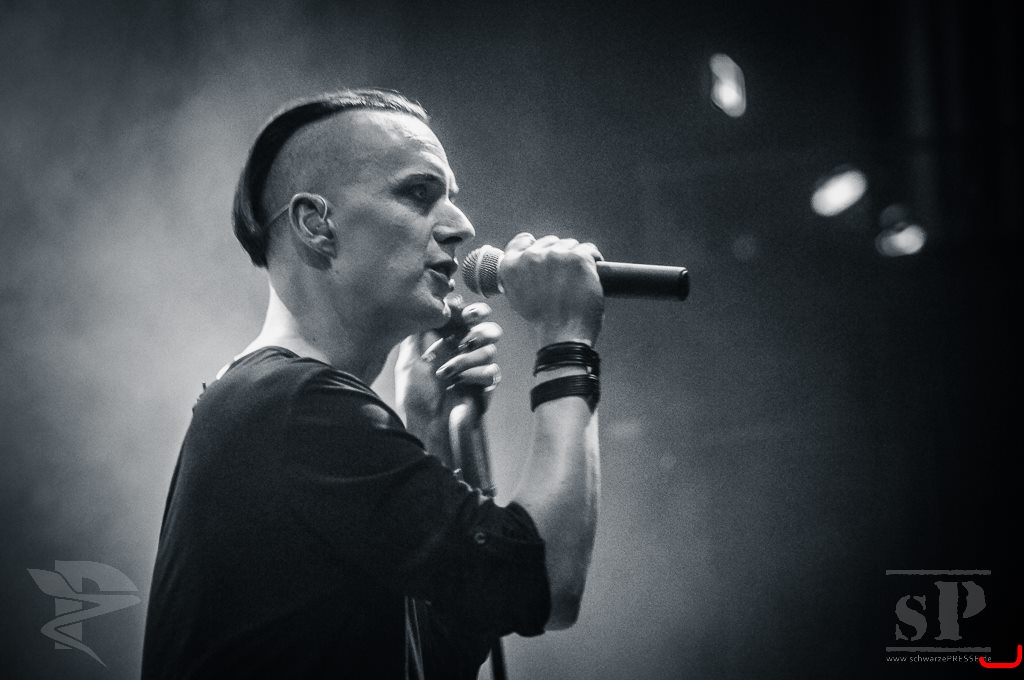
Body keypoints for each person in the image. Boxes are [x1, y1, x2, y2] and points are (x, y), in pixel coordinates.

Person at [142, 88, 604, 679]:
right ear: (316, 225)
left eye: (452, 198)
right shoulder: (292, 405)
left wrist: (429, 428)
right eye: (419, 193)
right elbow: (547, 583)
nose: (461, 227)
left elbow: (430, 661)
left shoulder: (272, 403)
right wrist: (566, 340)